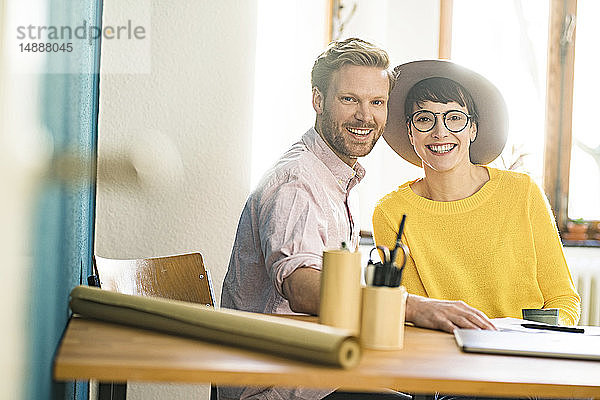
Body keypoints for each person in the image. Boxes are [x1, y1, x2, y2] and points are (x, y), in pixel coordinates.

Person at [373, 60, 581, 332]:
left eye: (454, 118)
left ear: (473, 129)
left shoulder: (523, 192)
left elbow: (563, 300)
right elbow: (412, 315)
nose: (440, 131)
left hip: (522, 355)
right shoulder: (390, 212)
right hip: (443, 358)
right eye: (425, 119)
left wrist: (537, 338)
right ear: (410, 132)